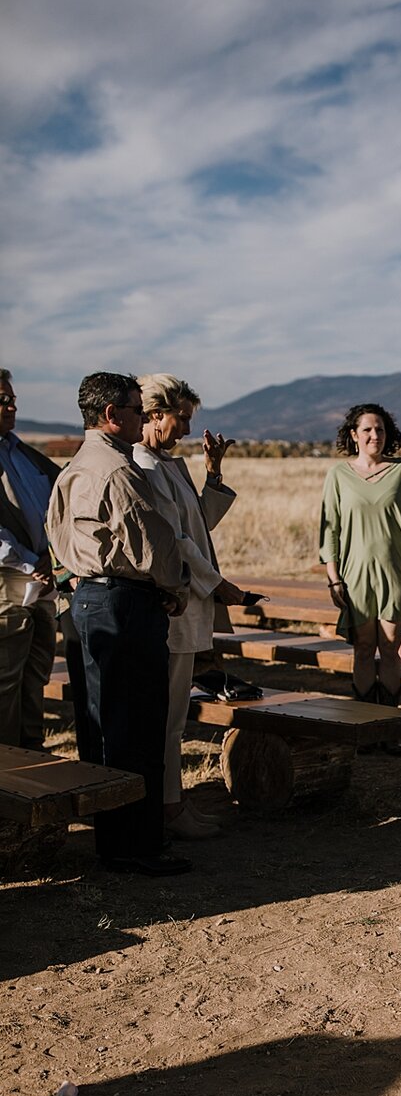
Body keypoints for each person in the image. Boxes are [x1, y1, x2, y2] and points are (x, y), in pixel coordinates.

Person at [46, 372, 192, 877]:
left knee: (99, 725)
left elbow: (56, 535)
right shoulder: (118, 472)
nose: (143, 416)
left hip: (86, 599)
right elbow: (155, 546)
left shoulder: (74, 467)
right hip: (125, 603)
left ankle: (112, 840)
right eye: (135, 408)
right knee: (136, 726)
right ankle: (136, 845)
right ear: (112, 415)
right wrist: (174, 589)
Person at [133, 374, 243, 840]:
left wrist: (212, 472)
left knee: (174, 714)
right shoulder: (143, 466)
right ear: (155, 414)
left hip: (189, 600)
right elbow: (174, 541)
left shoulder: (169, 465)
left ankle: (173, 803)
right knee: (169, 716)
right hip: (176, 603)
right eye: (181, 419)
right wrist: (218, 584)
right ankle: (169, 807)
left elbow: (200, 523)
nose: (185, 430)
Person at [320, 404, 401, 706]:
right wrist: (333, 578)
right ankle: (363, 726)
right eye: (367, 429)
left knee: (392, 647)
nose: (374, 435)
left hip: (395, 574)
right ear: (354, 435)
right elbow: (330, 529)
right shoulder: (338, 475)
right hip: (354, 576)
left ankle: (388, 728)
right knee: (364, 648)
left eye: (379, 429)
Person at [0, 367, 61, 749]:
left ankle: (32, 754)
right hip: (6, 584)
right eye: (2, 400)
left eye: (12, 399)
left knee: (36, 673)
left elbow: (59, 510)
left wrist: (52, 559)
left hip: (42, 583)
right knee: (4, 681)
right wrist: (29, 563)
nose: (11, 406)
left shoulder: (27, 455)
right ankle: (8, 773)